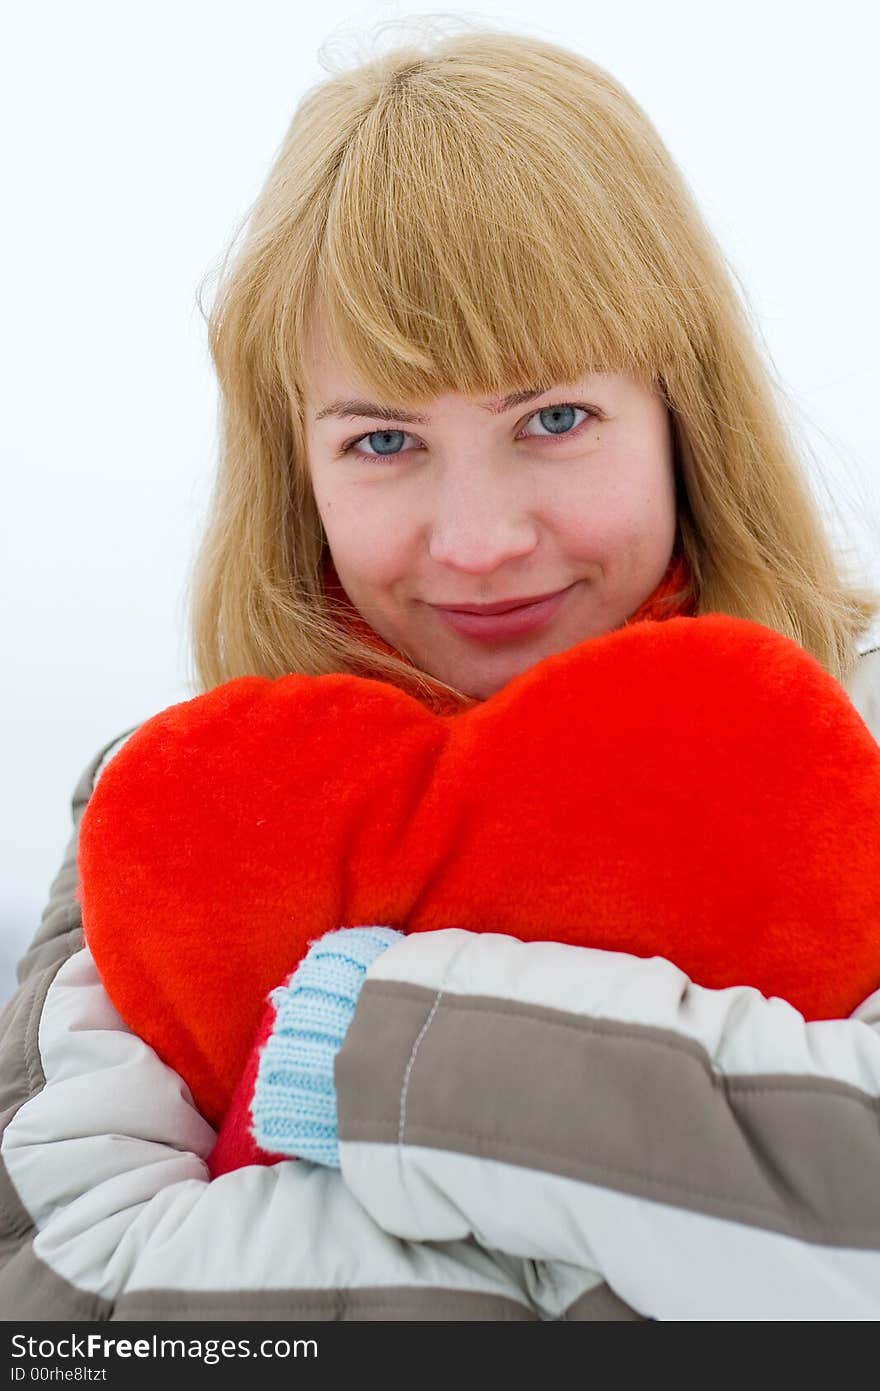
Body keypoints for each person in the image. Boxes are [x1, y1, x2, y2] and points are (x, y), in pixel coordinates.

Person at [2, 21, 880, 1322]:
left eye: (555, 419)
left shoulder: (854, 735)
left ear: (680, 409)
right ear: (294, 463)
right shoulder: (175, 811)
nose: (478, 541)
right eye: (383, 442)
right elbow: (74, 1299)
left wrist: (371, 1047)